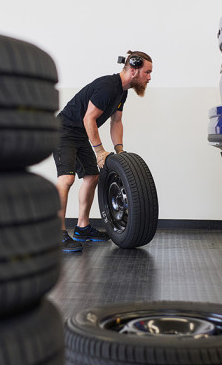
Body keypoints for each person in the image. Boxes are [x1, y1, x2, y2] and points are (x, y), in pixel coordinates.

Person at [53, 50, 153, 252]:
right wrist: (100, 151)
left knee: (91, 176)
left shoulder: (121, 91)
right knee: (67, 179)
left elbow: (116, 121)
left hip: (80, 134)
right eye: (147, 72)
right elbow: (89, 119)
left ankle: (82, 228)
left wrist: (119, 151)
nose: (149, 77)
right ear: (133, 69)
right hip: (63, 131)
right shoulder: (107, 86)